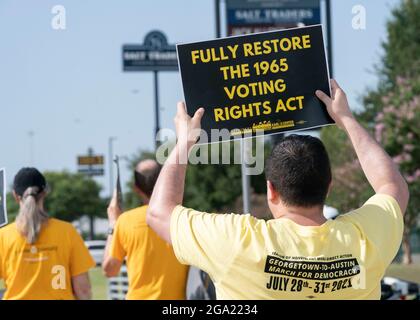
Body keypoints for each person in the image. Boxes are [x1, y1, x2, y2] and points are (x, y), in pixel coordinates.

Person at [146, 79, 409, 300]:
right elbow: (392, 185)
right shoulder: (365, 240)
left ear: (271, 189)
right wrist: (348, 121)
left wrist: (185, 142)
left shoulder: (237, 242)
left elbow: (159, 213)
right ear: (329, 186)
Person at [0, 168, 96, 300]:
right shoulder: (67, 232)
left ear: (16, 196)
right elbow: (83, 290)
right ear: (44, 193)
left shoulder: (3, 236)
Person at [102, 159, 189, 300]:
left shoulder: (125, 221)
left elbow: (109, 270)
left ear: (136, 188)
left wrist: (113, 223)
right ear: (163, 180)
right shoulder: (184, 218)